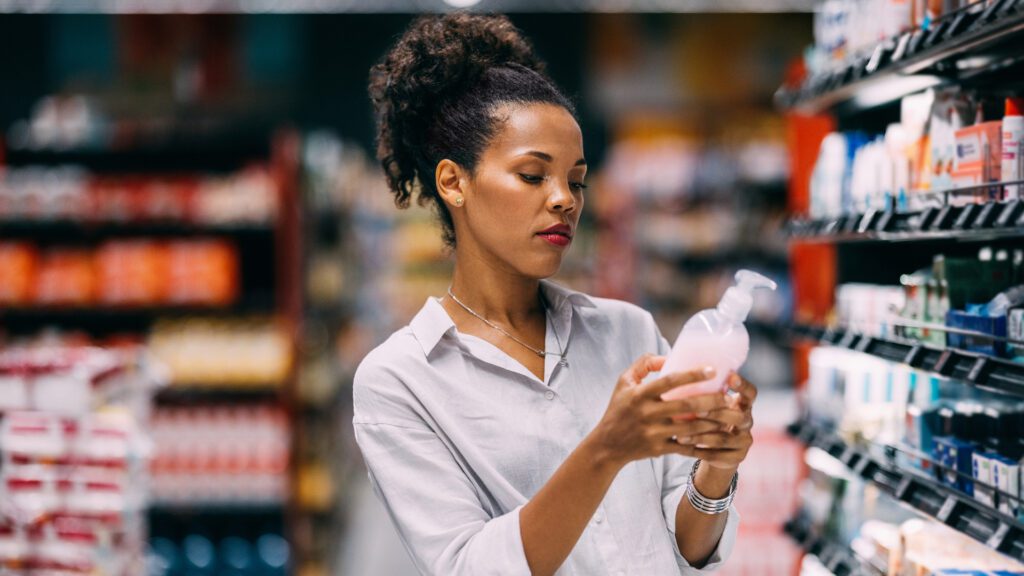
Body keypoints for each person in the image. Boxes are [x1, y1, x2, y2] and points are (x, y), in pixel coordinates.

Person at [354, 13, 756, 576]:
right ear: (454, 182)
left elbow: (683, 548)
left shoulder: (628, 332)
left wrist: (715, 471)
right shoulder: (400, 380)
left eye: (577, 179)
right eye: (533, 175)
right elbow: (469, 566)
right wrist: (606, 448)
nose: (565, 199)